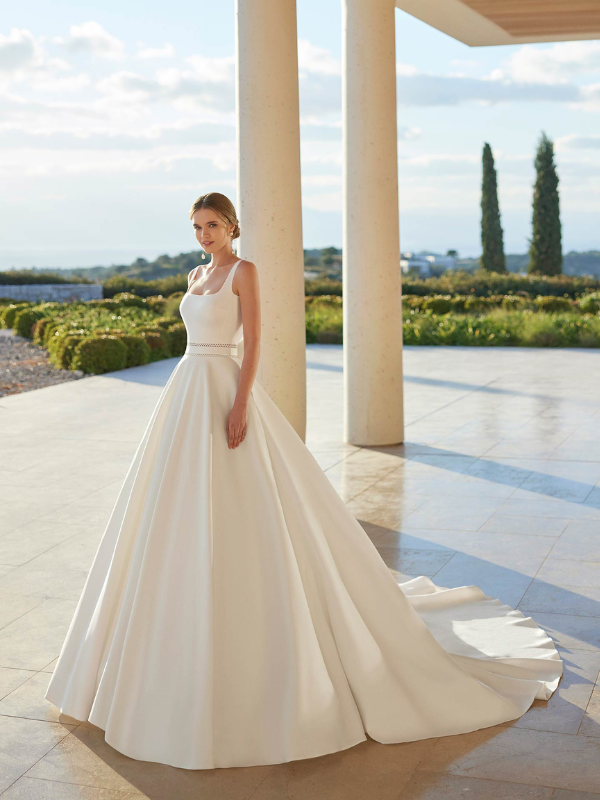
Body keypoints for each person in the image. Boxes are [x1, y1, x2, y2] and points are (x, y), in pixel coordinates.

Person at [45, 191, 563, 771]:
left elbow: (257, 342)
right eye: (196, 227)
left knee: (244, 506)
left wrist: (240, 404)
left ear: (232, 226)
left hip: (223, 388)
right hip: (185, 393)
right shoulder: (193, 274)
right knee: (170, 513)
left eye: (212, 225)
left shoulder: (245, 272)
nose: (203, 235)